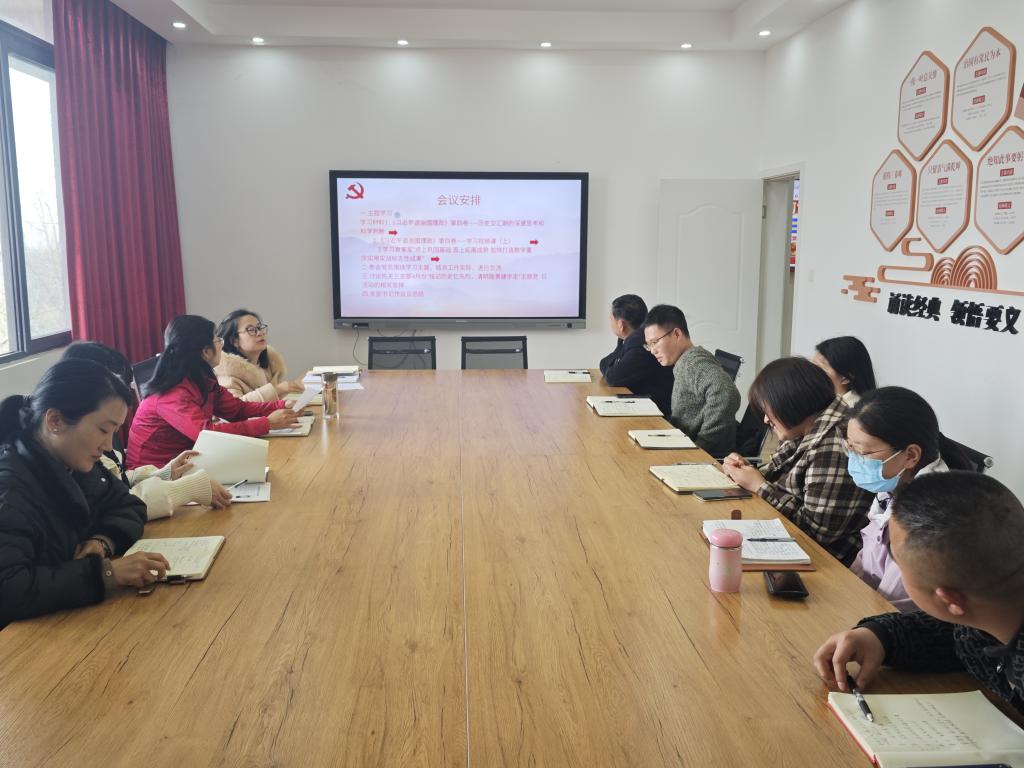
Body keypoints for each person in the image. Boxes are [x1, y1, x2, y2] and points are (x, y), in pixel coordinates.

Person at [813, 472, 1024, 715]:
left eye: (897, 563)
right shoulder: (991, 609)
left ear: (949, 600)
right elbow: (959, 635)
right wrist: (879, 636)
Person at [0, 359, 171, 626]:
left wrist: (102, 541)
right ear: (55, 421)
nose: (108, 446)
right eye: (103, 430)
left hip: (69, 619)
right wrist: (105, 574)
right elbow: (9, 589)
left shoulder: (74, 462)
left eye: (114, 432)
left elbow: (129, 506)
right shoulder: (10, 488)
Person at [722, 357, 871, 565]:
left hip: (824, 561)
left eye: (768, 411)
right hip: (788, 539)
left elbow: (816, 533)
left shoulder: (833, 446)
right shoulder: (808, 426)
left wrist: (760, 485)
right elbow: (779, 472)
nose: (765, 420)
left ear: (791, 403)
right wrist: (748, 472)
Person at [62, 341, 233, 517]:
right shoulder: (77, 453)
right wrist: (189, 488)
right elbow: (116, 505)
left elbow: (119, 480)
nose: (122, 393)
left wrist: (164, 473)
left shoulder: (101, 429)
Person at [844, 387, 970, 611]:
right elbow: (868, 557)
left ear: (911, 455)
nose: (854, 460)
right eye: (850, 448)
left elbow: (893, 607)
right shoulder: (895, 483)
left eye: (862, 453)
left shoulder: (930, 518)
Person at [128, 315, 299, 468]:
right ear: (205, 351)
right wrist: (267, 423)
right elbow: (207, 434)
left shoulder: (201, 378)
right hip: (154, 475)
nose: (221, 346)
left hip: (187, 463)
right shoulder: (171, 394)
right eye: (217, 340)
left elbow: (237, 410)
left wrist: (282, 405)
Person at [642, 304, 740, 455]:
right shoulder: (686, 360)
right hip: (682, 444)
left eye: (655, 342)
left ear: (677, 334)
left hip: (697, 457)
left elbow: (727, 393)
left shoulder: (693, 362)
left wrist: (703, 445)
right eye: (648, 345)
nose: (652, 350)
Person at [598, 294, 674, 415]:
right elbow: (607, 362)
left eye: (611, 319)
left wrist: (615, 361)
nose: (609, 322)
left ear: (621, 325)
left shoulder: (640, 343)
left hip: (659, 414)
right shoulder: (637, 337)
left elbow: (612, 377)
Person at [214, 309, 304, 402]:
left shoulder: (270, 366)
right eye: (251, 330)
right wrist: (278, 390)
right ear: (234, 340)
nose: (260, 333)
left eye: (260, 327)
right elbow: (235, 407)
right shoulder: (227, 374)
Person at [812, 336, 876, 407]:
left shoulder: (851, 410)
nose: (810, 372)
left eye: (818, 368)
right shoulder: (825, 403)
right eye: (811, 365)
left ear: (845, 378)